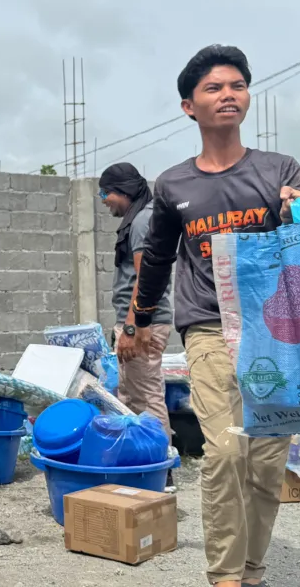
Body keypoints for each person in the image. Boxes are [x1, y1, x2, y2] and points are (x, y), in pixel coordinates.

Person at [131, 45, 300, 587]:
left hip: (276, 330)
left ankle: (253, 569)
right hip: (208, 326)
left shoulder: (278, 169)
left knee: (264, 464)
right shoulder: (173, 185)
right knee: (224, 453)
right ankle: (225, 578)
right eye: (214, 88)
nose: (228, 95)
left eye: (237, 86)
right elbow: (160, 258)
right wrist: (139, 321)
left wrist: (296, 207)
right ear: (189, 106)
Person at [100, 162, 173, 437]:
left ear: (122, 190)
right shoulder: (141, 217)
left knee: (146, 399)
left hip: (143, 324)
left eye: (104, 194)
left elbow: (145, 278)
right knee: (131, 398)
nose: (105, 201)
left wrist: (131, 327)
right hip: (138, 321)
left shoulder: (142, 220)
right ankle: (142, 464)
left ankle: (162, 467)